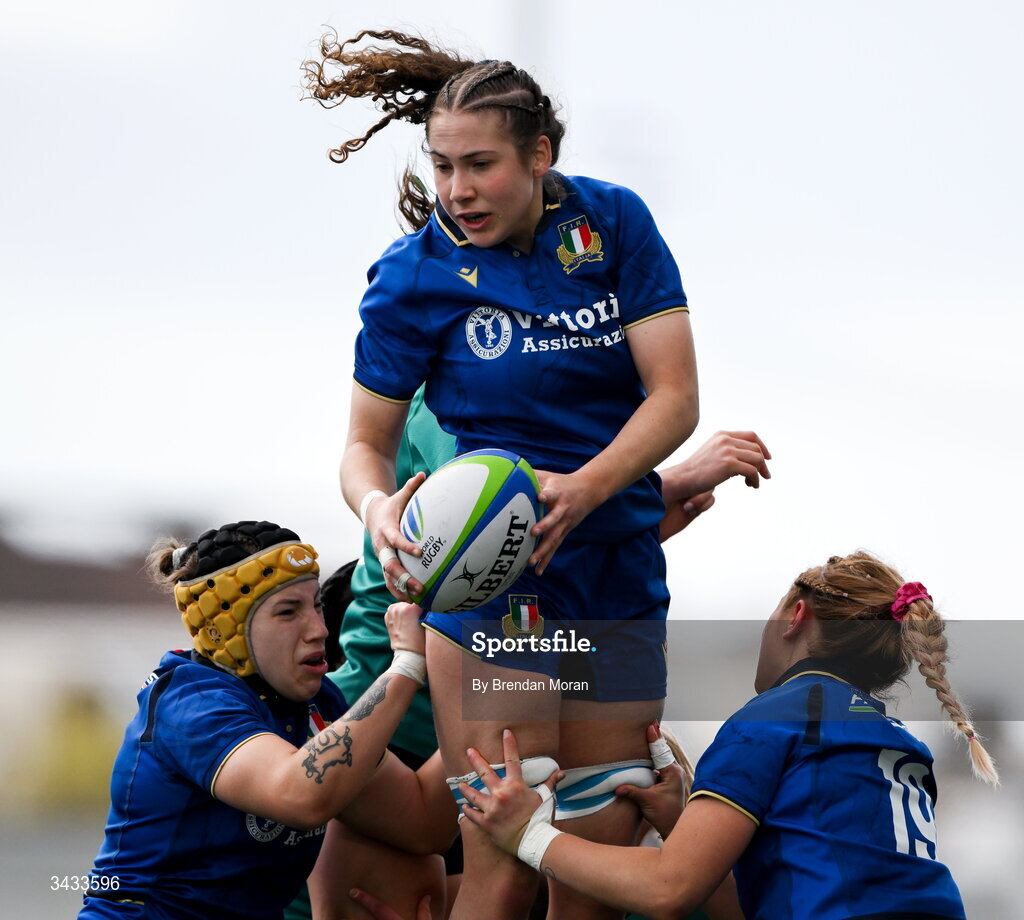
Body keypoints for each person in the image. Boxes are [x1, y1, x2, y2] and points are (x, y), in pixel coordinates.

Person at [305, 28, 701, 918]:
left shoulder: (614, 224)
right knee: (503, 857)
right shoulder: (413, 278)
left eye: (479, 164)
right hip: (491, 582)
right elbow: (363, 445)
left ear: (540, 154)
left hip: (615, 569)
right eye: (443, 166)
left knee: (595, 859)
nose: (457, 190)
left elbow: (675, 399)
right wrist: (376, 508)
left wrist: (588, 489)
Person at [459, 551, 999, 920]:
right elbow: (758, 905)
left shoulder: (776, 716)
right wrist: (684, 822)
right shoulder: (899, 743)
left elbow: (668, 890)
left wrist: (526, 835)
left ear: (795, 616)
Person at [79, 520, 457, 920]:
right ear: (227, 630)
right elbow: (301, 795)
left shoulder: (317, 704)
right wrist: (407, 667)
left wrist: (485, 685)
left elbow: (422, 823)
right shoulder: (191, 700)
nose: (318, 629)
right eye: (287, 612)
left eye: (315, 605)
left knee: (411, 866)